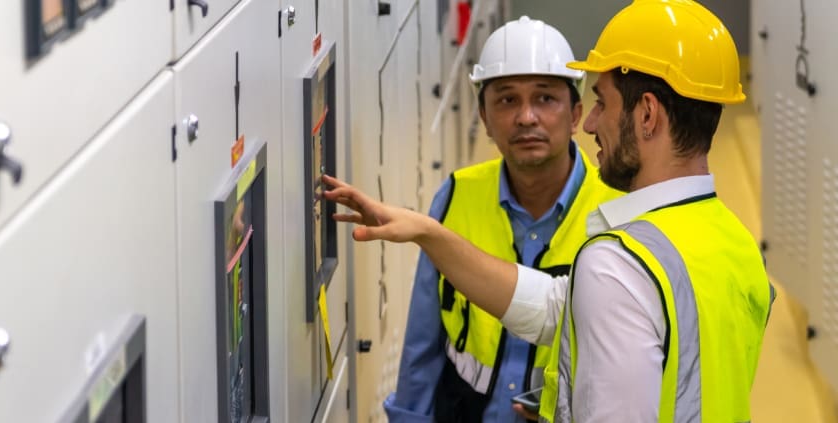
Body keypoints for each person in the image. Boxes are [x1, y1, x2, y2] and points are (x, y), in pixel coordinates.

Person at [331, 1, 773, 421]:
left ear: (647, 115)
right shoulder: (736, 244)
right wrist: (430, 232)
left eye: (602, 102)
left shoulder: (620, 264)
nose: (593, 123)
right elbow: (554, 306)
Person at [381, 16, 623, 423]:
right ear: (484, 117)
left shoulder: (616, 213)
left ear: (576, 113)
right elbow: (423, 342)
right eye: (507, 100)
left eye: (545, 98)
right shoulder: (457, 195)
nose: (526, 117)